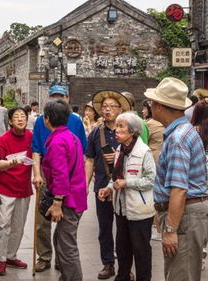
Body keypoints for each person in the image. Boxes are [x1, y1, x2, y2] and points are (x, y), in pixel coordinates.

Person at [144, 77, 208, 281]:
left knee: (181, 276)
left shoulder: (177, 138)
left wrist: (171, 228)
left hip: (186, 217)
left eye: (152, 102)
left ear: (159, 106)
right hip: (188, 215)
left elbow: (179, 189)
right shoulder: (182, 132)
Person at [32, 85, 87, 272]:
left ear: (47, 119)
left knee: (66, 245)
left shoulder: (57, 142)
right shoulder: (70, 136)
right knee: (61, 240)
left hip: (67, 196)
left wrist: (57, 202)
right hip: (72, 193)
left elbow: (61, 175)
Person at [98, 112, 156, 281]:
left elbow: (151, 180)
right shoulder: (119, 150)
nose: (116, 130)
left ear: (133, 131)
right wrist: (109, 188)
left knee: (141, 250)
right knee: (123, 249)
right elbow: (116, 177)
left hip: (139, 209)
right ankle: (122, 277)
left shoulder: (144, 152)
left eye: (121, 126)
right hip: (121, 208)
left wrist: (127, 183)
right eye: (117, 126)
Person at [85, 90, 131, 280]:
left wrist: (119, 155)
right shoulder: (96, 131)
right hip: (103, 186)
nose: (108, 110)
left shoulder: (129, 131)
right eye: (104, 107)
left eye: (112, 106)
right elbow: (89, 159)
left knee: (125, 230)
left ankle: (126, 267)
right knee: (104, 228)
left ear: (120, 109)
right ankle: (108, 263)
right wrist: (84, 185)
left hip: (125, 187)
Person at [0, 107, 33, 276]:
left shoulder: (32, 137)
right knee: (3, 225)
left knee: (18, 226)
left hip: (24, 188)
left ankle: (11, 255)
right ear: (10, 121)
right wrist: (13, 162)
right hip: (5, 188)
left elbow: (38, 157)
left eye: (23, 116)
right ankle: (1, 259)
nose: (20, 119)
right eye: (16, 117)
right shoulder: (3, 139)